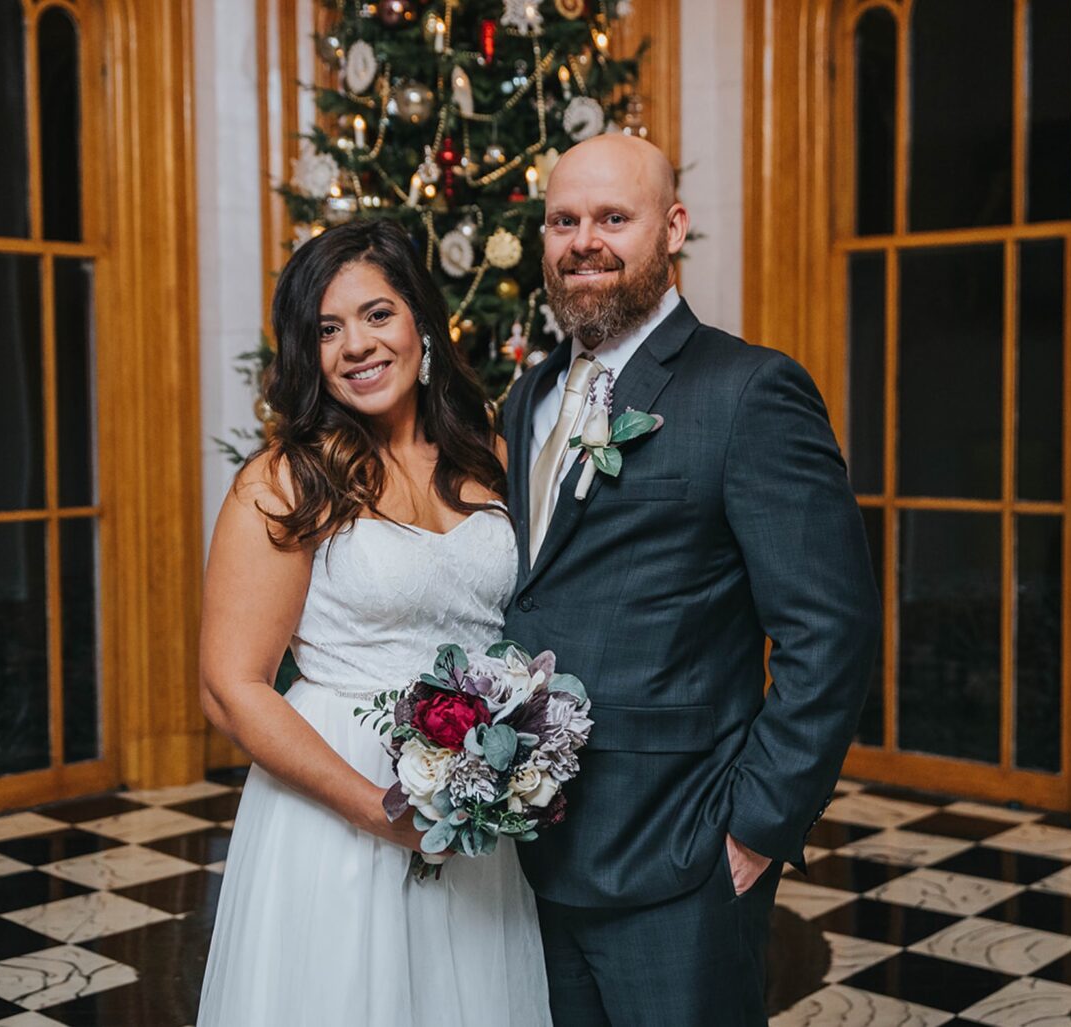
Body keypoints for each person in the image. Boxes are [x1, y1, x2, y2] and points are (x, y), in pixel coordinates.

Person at [501, 134, 881, 1025]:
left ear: (671, 228)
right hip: (532, 854)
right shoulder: (526, 401)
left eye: (612, 218)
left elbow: (832, 629)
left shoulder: (750, 391)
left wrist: (757, 824)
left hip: (681, 856)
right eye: (563, 221)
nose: (583, 240)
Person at [197, 220, 550, 1025]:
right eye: (328, 329)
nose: (356, 344)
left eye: (376, 314)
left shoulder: (489, 456)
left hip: (472, 794)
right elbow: (232, 685)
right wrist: (380, 809)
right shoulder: (287, 480)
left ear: (421, 322)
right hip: (338, 805)